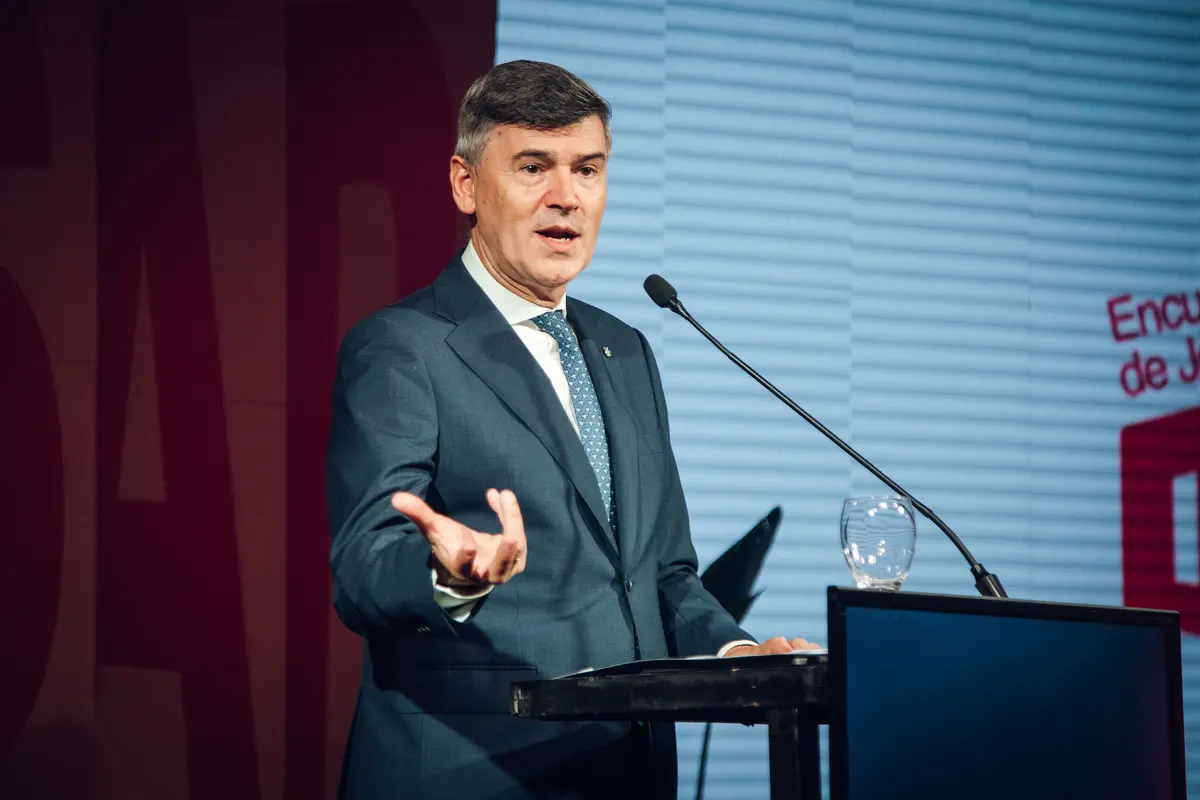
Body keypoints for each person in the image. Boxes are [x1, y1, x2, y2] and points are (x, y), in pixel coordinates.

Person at [326, 59, 818, 800]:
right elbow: (364, 566)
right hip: (475, 771)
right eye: (533, 167)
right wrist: (446, 574)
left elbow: (661, 573)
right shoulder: (403, 347)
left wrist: (736, 655)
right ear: (465, 184)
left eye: (587, 169)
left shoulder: (626, 350)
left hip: (625, 773)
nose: (566, 196)